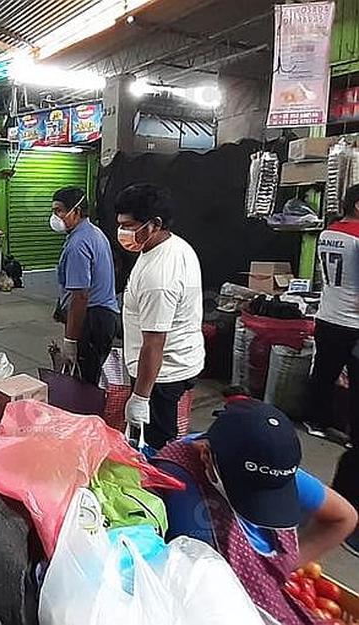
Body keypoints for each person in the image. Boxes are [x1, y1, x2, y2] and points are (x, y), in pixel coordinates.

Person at [154, 393, 357, 624]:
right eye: (248, 493)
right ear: (206, 455)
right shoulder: (173, 477)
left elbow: (344, 517)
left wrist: (285, 566)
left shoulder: (270, 467)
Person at [116, 183, 204, 450]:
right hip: (173, 364)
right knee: (163, 437)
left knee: (159, 447)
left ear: (154, 224)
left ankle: (163, 474)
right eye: (120, 225)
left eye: (129, 225)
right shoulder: (171, 246)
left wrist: (141, 397)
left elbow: (154, 343)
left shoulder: (160, 277)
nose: (122, 232)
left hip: (162, 376)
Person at [307, 183, 359, 555]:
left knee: (322, 373)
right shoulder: (357, 237)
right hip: (352, 321)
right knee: (353, 384)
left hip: (327, 314)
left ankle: (316, 419)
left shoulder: (329, 232)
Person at [50, 187, 119, 385]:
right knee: (91, 377)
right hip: (103, 316)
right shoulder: (94, 233)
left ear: (77, 211)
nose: (55, 217)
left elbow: (80, 296)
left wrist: (70, 340)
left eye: (59, 211)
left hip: (92, 320)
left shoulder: (78, 244)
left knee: (85, 385)